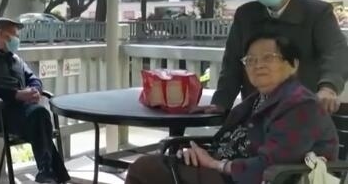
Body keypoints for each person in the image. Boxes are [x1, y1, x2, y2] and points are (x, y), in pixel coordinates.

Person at [125, 32, 339, 184]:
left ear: (293, 64)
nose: (258, 65)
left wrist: (216, 164)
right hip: (224, 169)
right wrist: (198, 153)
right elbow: (228, 141)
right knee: (152, 167)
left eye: (268, 58)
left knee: (145, 170)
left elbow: (272, 164)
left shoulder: (300, 105)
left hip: (253, 178)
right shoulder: (258, 100)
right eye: (250, 60)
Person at [206, 0, 348, 115]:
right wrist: (220, 103)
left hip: (305, 112)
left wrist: (328, 88)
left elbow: (335, 53)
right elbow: (232, 64)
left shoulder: (317, 13)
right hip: (256, 114)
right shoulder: (245, 15)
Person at [0, 18, 70, 183]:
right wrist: (15, 94)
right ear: (1, 34)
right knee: (40, 117)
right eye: (14, 34)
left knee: (39, 122)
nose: (17, 39)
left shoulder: (16, 59)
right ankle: (53, 173)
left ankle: (48, 173)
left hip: (24, 113)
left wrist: (35, 91)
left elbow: (34, 79)